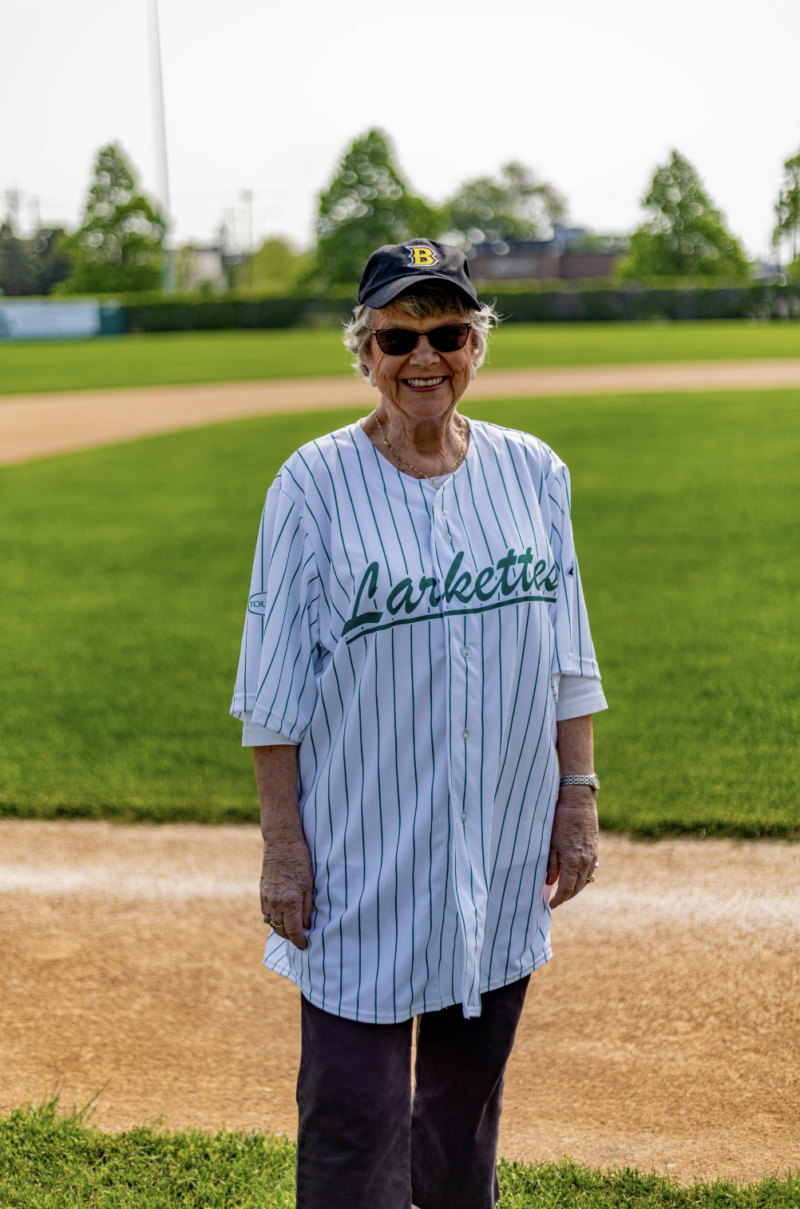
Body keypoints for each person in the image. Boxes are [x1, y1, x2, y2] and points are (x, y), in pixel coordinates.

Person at [231, 238, 607, 1209]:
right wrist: (282, 848)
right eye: (399, 336)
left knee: (460, 1117)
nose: (424, 358)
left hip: (499, 846)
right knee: (353, 1121)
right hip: (365, 858)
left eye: (448, 332)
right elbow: (271, 690)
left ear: (477, 343)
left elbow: (567, 648)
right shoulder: (310, 485)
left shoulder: (532, 472)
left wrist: (576, 795)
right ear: (363, 349)